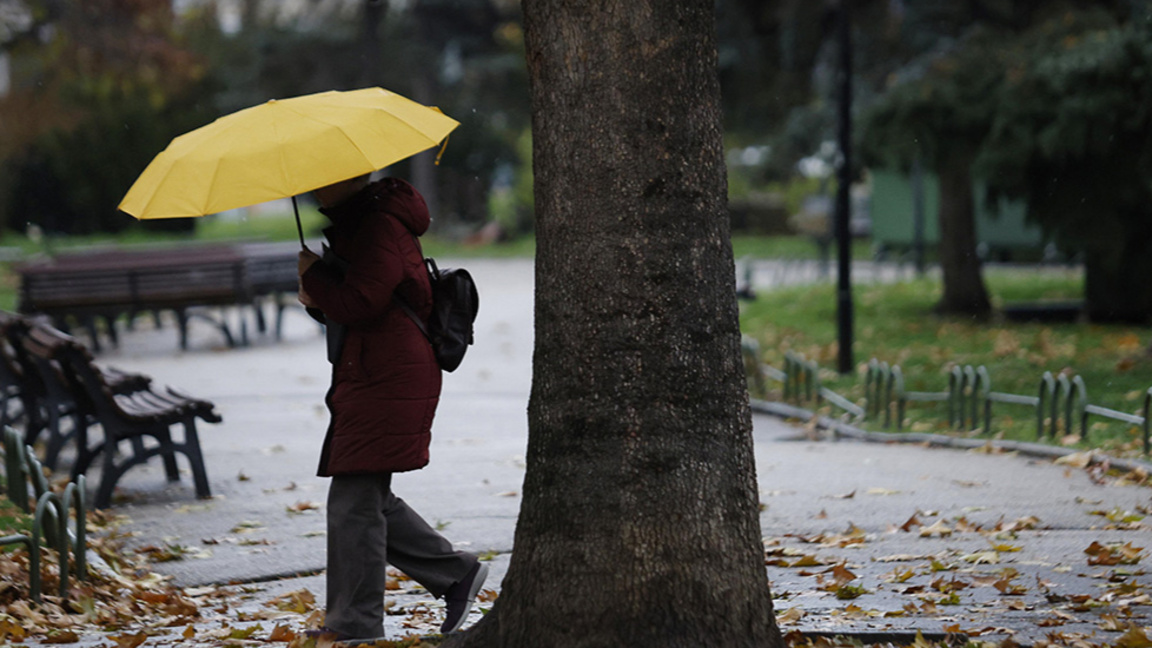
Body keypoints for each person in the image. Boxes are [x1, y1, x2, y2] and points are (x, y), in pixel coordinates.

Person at [297, 174, 488, 643]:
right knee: (366, 498)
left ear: (347, 181)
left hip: (388, 374)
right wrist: (316, 293)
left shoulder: (378, 224)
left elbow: (363, 301)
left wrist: (314, 276)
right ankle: (456, 573)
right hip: (377, 370)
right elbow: (365, 299)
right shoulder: (363, 223)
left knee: (353, 502)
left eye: (322, 179)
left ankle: (354, 625)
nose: (314, 188)